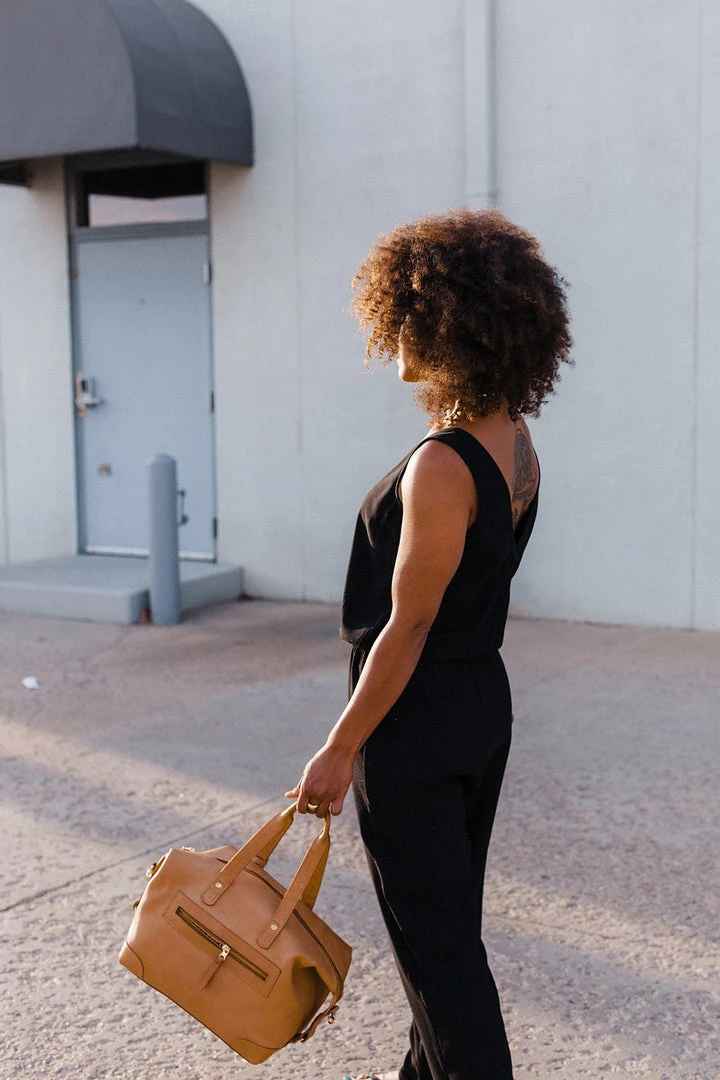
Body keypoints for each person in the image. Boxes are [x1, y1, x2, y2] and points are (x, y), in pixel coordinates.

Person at [285, 207, 572, 1080]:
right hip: (482, 704)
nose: (391, 343)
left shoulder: (442, 464)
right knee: (445, 928)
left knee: (439, 957)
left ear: (450, 325)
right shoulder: (515, 442)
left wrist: (340, 749)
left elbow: (408, 626)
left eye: (406, 323)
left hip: (417, 721)